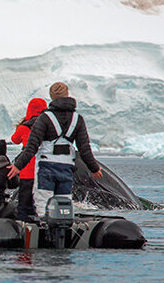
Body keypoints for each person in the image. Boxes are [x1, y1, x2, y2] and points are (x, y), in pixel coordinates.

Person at [7, 82, 103, 217]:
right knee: (64, 205)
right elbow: (84, 148)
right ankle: (63, 234)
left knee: (43, 207)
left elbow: (32, 146)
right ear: (67, 94)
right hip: (67, 168)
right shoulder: (77, 119)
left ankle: (42, 233)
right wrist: (94, 168)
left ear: (51, 97)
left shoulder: (45, 118)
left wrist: (18, 166)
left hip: (46, 167)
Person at [11, 97, 47, 221]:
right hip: (43, 168)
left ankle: (23, 224)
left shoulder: (24, 128)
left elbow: (14, 139)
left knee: (24, 201)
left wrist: (21, 125)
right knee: (41, 200)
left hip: (27, 169)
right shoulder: (47, 126)